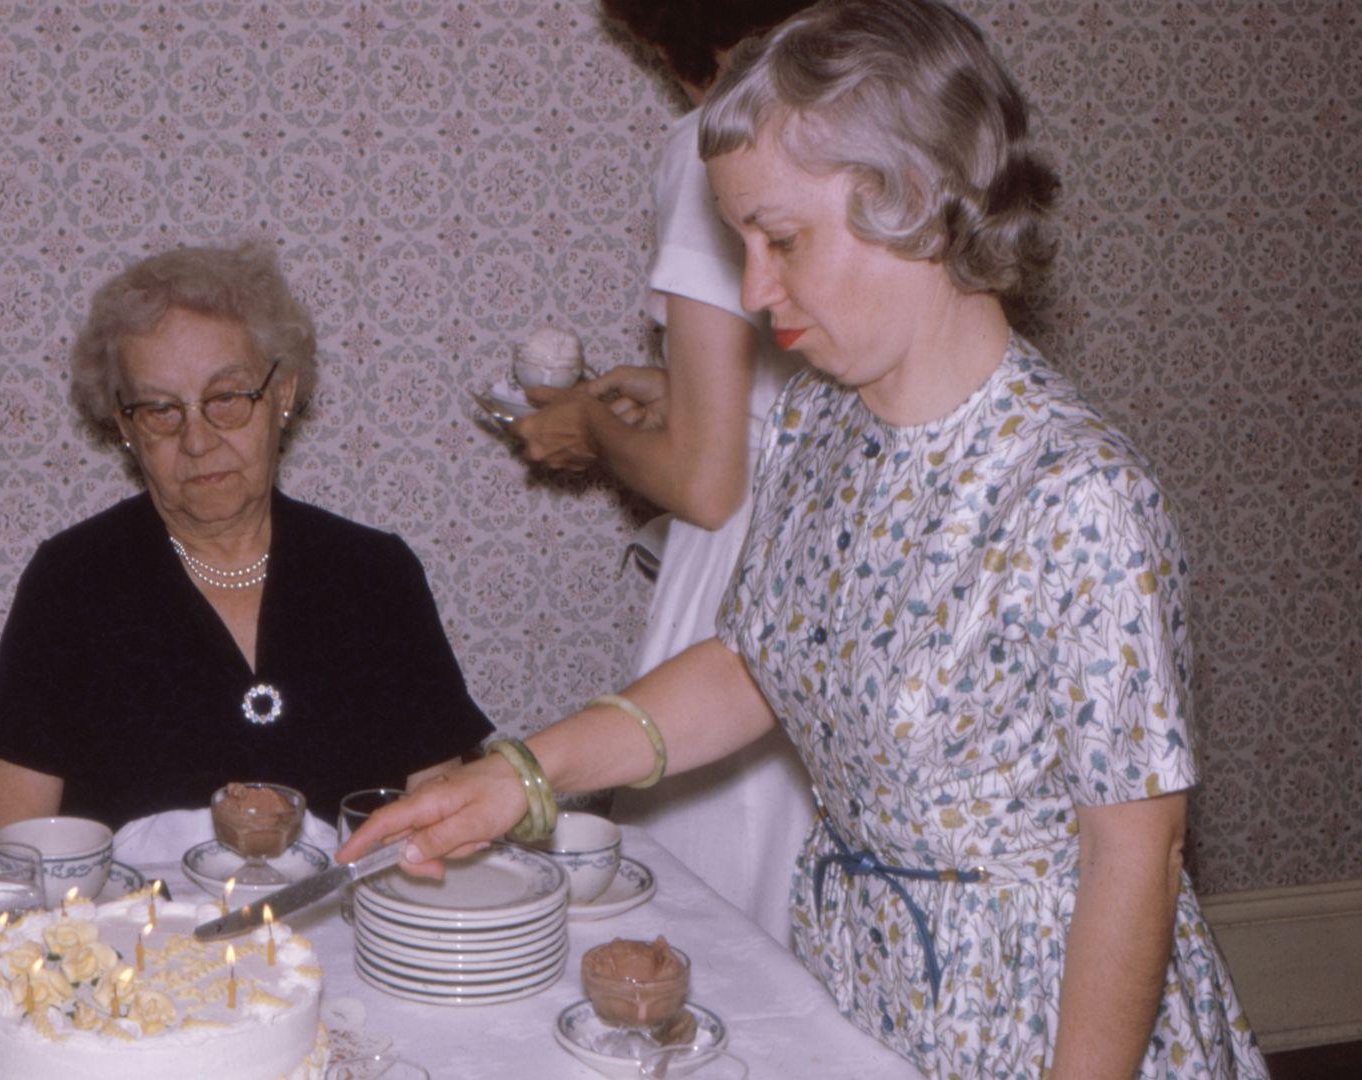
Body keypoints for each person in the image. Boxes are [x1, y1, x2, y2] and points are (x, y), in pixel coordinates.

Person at [343, 2, 1268, 1075]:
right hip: (856, 989)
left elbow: (1135, 860)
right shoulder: (826, 422)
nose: (754, 289)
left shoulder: (1079, 498)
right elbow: (752, 667)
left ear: (916, 201)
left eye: (783, 240)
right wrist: (518, 777)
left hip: (1042, 1028)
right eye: (744, 244)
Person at [0, 244, 492, 840]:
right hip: (131, 930)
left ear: (283, 394)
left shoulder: (374, 575)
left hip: (346, 927)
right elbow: (4, 852)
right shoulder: (73, 582)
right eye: (161, 410)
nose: (196, 440)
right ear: (125, 426)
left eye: (226, 399)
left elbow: (447, 824)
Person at [509, 0, 816, 944]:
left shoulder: (713, 147)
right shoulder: (841, 138)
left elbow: (707, 482)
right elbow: (780, 407)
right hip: (832, 547)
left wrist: (594, 433)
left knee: (718, 921)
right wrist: (672, 391)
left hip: (747, 579)